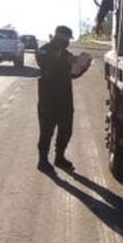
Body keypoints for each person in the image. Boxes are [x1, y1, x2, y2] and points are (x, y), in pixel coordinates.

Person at [36, 25, 87, 172]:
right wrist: (66, 62)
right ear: (59, 37)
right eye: (66, 39)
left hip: (65, 98)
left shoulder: (66, 54)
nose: (67, 43)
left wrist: (82, 67)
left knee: (66, 130)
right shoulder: (43, 50)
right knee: (46, 131)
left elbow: (72, 74)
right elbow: (46, 65)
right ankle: (43, 160)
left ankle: (59, 157)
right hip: (48, 99)